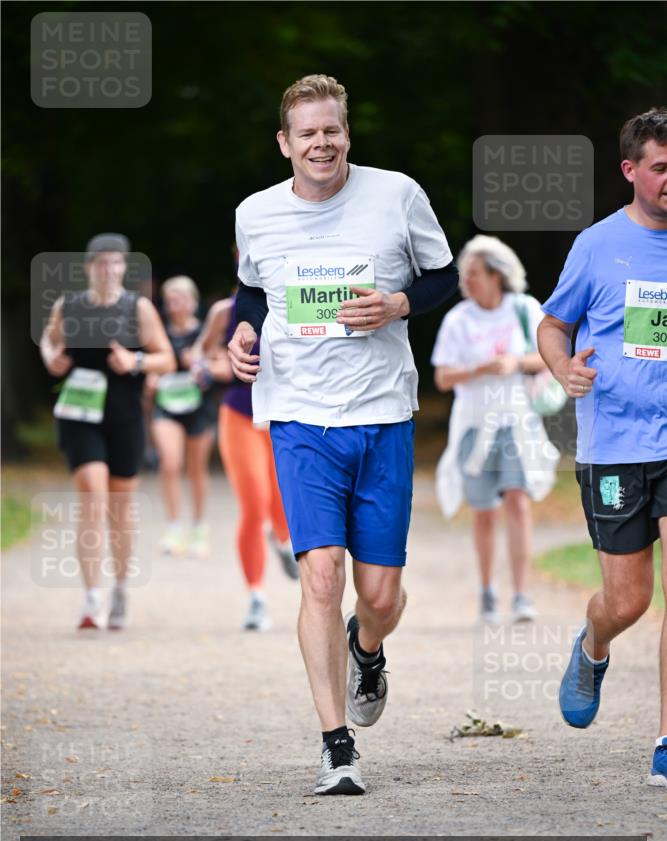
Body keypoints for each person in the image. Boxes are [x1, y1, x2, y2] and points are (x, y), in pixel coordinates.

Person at [228, 74, 458, 794]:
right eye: (307, 133)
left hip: (382, 414)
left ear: (346, 134)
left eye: (331, 130)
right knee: (320, 575)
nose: (320, 142)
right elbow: (252, 290)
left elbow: (443, 279)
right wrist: (240, 329)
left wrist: (397, 302)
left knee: (381, 595)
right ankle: (336, 744)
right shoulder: (256, 213)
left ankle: (367, 647)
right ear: (284, 143)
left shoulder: (396, 195)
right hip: (299, 417)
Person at [537, 108, 667, 787]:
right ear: (630, 171)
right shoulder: (596, 245)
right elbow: (553, 325)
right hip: (615, 442)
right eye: (660, 167)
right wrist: (563, 370)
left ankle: (666, 741)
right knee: (627, 602)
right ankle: (592, 647)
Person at [40, 233, 175, 630]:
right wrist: (53, 360)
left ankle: (119, 587)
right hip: (80, 413)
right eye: (101, 263)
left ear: (124, 268)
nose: (108, 270)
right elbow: (49, 345)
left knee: (119, 509)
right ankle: (91, 598)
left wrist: (133, 361)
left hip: (124, 414)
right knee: (92, 496)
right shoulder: (70, 306)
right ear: (88, 268)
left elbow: (166, 359)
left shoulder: (138, 309)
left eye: (116, 263)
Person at [431, 236, 559, 624]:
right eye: (464, 275)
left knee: (518, 502)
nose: (465, 281)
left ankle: (521, 594)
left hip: (516, 422)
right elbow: (442, 377)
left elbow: (551, 355)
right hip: (473, 424)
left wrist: (517, 362)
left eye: (472, 274)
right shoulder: (458, 319)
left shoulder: (524, 309)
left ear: (496, 276)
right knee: (484, 511)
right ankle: (488, 591)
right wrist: (479, 369)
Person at [194, 290, 299, 631]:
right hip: (240, 415)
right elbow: (201, 353)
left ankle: (283, 541)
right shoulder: (225, 310)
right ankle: (256, 597)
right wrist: (211, 367)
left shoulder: (296, 299)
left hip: (285, 415)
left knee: (283, 507)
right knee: (255, 506)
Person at [149, 275, 217, 558]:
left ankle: (199, 529)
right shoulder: (159, 333)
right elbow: (150, 363)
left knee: (196, 470)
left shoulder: (205, 333)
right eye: (171, 299)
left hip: (199, 407)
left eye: (181, 298)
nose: (175, 304)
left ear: (193, 302)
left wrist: (200, 365)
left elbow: (219, 366)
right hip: (166, 405)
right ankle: (174, 527)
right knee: (169, 463)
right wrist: (151, 377)